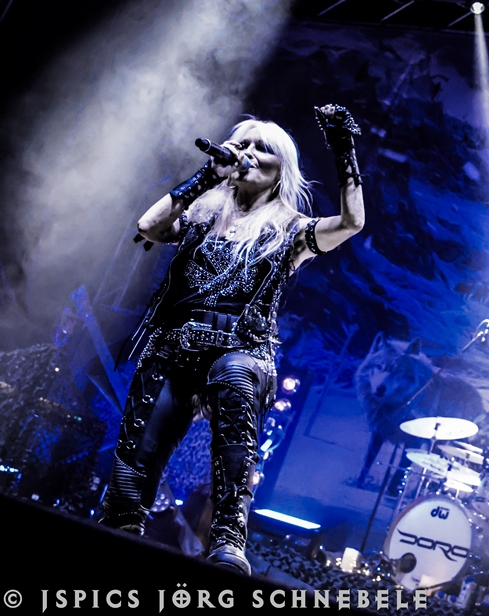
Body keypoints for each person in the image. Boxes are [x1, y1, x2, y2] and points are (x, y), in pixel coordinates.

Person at [100, 104, 365, 576]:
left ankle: (227, 537)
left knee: (236, 380)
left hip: (240, 348)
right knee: (136, 454)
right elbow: (148, 227)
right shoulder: (201, 213)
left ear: (282, 168)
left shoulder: (291, 229)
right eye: (242, 144)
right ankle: (118, 529)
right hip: (175, 345)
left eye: (262, 148)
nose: (248, 153)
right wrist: (206, 176)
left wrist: (344, 152)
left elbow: (350, 223)